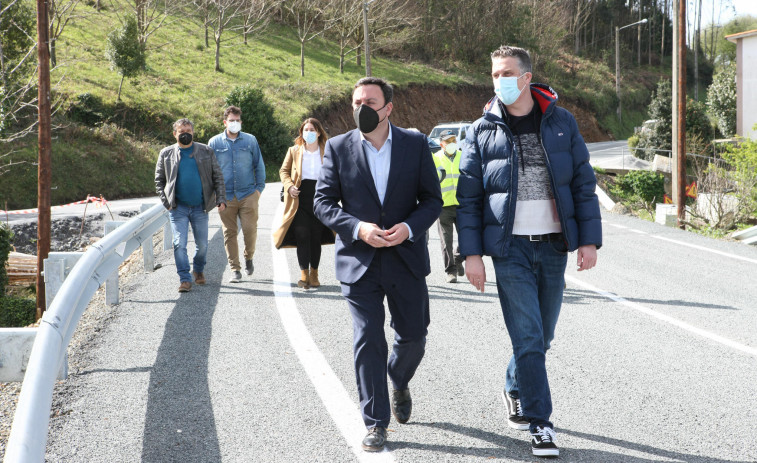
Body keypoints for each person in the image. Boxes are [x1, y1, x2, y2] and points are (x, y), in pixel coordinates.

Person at [456, 45, 602, 458]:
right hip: (510, 249)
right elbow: (469, 199)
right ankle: (541, 425)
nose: (498, 80)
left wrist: (587, 239)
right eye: (494, 74)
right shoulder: (481, 129)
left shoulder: (561, 121)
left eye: (505, 72)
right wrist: (471, 255)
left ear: (525, 77)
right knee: (529, 337)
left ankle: (513, 386)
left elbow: (582, 184)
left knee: (543, 337)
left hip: (554, 245)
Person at [313, 77, 442, 452]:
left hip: (406, 259)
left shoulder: (415, 145)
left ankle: (398, 379)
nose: (361, 108)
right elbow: (323, 203)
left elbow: (432, 200)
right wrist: (356, 228)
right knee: (368, 338)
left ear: (388, 108)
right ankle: (375, 422)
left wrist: (409, 227)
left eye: (369, 101)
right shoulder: (337, 148)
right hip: (360, 261)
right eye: (356, 101)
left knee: (414, 337)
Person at [155, 118, 226, 293]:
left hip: (200, 207)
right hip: (178, 208)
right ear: (175, 134)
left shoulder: (206, 151)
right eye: (181, 131)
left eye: (188, 130)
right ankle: (185, 278)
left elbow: (217, 177)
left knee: (202, 245)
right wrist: (167, 202)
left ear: (193, 132)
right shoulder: (166, 153)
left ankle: (199, 269)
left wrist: (221, 199)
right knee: (179, 243)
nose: (185, 133)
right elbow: (159, 181)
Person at [273, 118, 335, 289]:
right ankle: (303, 275)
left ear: (319, 132)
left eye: (312, 129)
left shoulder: (327, 150)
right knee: (302, 234)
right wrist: (289, 186)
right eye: (306, 130)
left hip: (320, 197)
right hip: (300, 197)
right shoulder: (294, 151)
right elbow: (284, 171)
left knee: (316, 236)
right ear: (301, 133)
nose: (309, 133)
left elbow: (335, 172)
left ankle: (314, 274)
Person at [208, 106, 266, 283]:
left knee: (250, 230)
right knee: (229, 232)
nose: (234, 123)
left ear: (241, 122)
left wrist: (258, 190)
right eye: (231, 120)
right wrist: (216, 196)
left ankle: (249, 257)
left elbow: (259, 165)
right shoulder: (214, 143)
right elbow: (209, 171)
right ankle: (235, 269)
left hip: (248, 193)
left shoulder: (250, 140)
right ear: (225, 122)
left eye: (237, 120)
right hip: (225, 196)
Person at [432, 129, 465, 283]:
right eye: (448, 141)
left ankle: (458, 259)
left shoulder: (463, 156)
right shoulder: (435, 158)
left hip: (463, 205)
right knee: (446, 241)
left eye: (454, 140)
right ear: (441, 144)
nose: (452, 143)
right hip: (443, 206)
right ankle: (451, 271)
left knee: (467, 239)